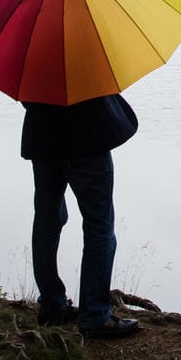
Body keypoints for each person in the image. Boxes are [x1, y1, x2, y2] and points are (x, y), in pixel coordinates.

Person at [22, 92, 141, 338]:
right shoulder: (89, 53)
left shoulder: (31, 54)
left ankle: (52, 306)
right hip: (87, 140)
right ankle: (95, 315)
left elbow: (25, 95)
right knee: (100, 228)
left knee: (47, 222)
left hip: (44, 139)